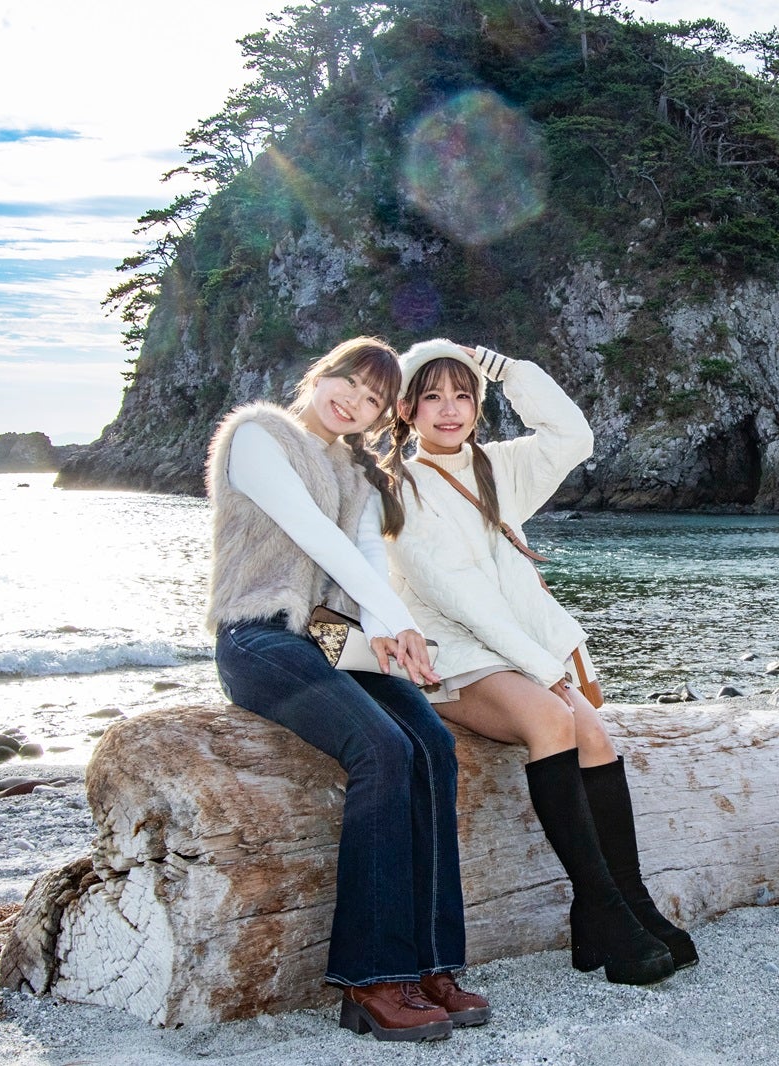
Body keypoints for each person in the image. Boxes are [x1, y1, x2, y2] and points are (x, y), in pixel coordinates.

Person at [384, 338, 697, 987]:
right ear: (407, 408)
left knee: (596, 732)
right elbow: (459, 598)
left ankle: (625, 902)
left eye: (464, 394)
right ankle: (605, 910)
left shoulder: (496, 469)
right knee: (554, 721)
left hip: (514, 653)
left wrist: (505, 369)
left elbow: (572, 434)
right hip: (453, 658)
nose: (450, 410)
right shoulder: (400, 489)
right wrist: (546, 669)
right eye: (434, 396)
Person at [205, 336, 488, 1042]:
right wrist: (396, 622)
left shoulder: (361, 480)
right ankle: (370, 980)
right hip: (260, 632)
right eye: (347, 384)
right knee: (382, 749)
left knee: (431, 743)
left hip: (332, 636)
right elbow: (309, 533)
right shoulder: (256, 434)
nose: (352, 404)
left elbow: (362, 559)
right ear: (321, 374)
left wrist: (391, 631)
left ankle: (431, 965)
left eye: (369, 400)